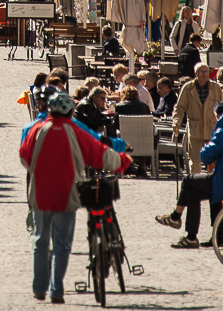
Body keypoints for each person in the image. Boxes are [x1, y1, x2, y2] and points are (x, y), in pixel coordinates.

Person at [20, 92, 131, 304]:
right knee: (62, 244)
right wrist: (123, 161)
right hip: (66, 193)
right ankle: (57, 290)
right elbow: (98, 154)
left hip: (40, 193)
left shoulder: (36, 130)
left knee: (40, 240)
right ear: (71, 111)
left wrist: (38, 171)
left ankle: (39, 288)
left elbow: (25, 157)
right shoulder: (74, 131)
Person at [156, 99, 223, 249]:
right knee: (194, 194)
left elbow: (206, 156)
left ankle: (176, 217)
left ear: (218, 116)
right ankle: (207, 237)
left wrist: (207, 149)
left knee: (188, 180)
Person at [172, 62, 223, 172]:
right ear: (196, 73)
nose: (205, 74)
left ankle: (212, 186)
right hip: (195, 130)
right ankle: (196, 187)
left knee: (214, 162)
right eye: (202, 72)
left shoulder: (216, 88)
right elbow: (180, 108)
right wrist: (176, 122)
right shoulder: (188, 88)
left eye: (206, 72)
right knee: (195, 162)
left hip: (212, 130)